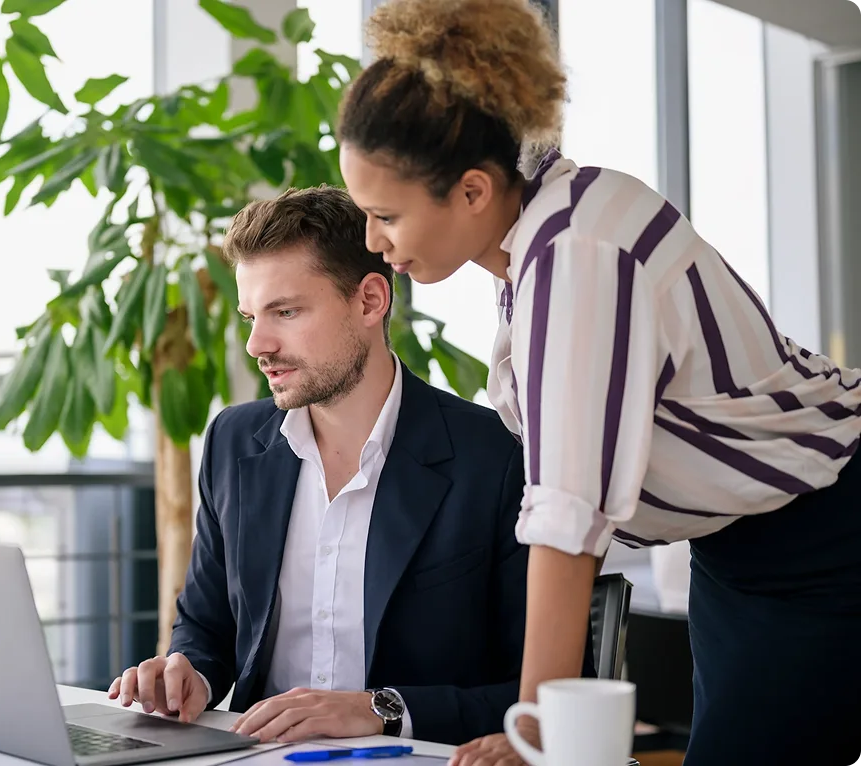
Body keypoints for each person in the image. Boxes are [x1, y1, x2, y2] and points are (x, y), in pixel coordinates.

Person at [335, 0, 861, 763]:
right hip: (740, 545)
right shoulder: (546, 229)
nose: (373, 243)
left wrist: (535, 726)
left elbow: (568, 514)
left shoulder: (576, 255)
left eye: (385, 215)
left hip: (821, 537)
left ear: (473, 192)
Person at [108, 186, 534, 746]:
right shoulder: (233, 443)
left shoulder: (493, 458)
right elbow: (207, 626)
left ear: (370, 301)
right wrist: (188, 672)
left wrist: (380, 710)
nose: (258, 343)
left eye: (285, 312)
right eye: (251, 317)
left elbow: (540, 694)